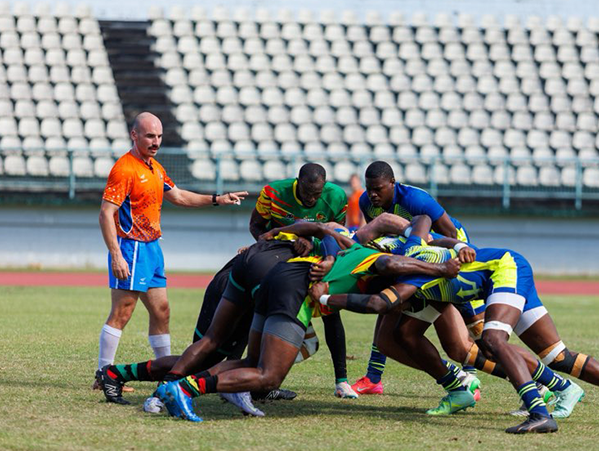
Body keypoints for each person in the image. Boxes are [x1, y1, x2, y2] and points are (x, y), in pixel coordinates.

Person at [319, 215, 599, 431]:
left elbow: (380, 301)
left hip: (502, 269)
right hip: (491, 275)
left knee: (493, 342)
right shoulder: (407, 252)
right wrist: (453, 244)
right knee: (557, 355)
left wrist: (323, 299)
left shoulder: (409, 275)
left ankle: (539, 413)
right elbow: (421, 225)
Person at [153, 234, 461, 422]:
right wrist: (441, 269)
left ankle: (179, 386)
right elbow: (392, 266)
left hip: (278, 278)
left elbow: (335, 237)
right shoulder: (380, 260)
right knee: (268, 376)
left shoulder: (357, 250)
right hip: (293, 290)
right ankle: (184, 388)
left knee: (252, 363)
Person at [93, 112, 247, 390]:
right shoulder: (124, 169)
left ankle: (169, 374)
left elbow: (178, 196)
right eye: (150, 136)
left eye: (159, 136)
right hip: (132, 248)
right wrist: (116, 254)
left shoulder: (154, 167)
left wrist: (217, 199)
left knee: (162, 311)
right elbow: (106, 214)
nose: (155, 142)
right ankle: (103, 375)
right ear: (134, 135)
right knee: (123, 311)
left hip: (152, 248)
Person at [353, 161, 471, 396]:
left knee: (465, 310)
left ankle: (470, 374)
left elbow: (449, 232)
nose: (373, 194)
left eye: (378, 189)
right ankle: (373, 378)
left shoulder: (415, 200)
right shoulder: (366, 202)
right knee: (388, 305)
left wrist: (444, 257)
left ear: (392, 184)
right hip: (409, 254)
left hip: (449, 248)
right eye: (369, 188)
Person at [248, 163, 357, 398]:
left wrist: (312, 244)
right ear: (298, 182)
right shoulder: (273, 192)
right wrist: (277, 244)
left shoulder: (337, 197)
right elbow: (256, 225)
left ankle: (342, 380)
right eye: (307, 192)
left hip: (315, 260)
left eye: (316, 194)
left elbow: (335, 236)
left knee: (330, 310)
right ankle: (252, 375)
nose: (311, 198)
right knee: (261, 309)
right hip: (278, 258)